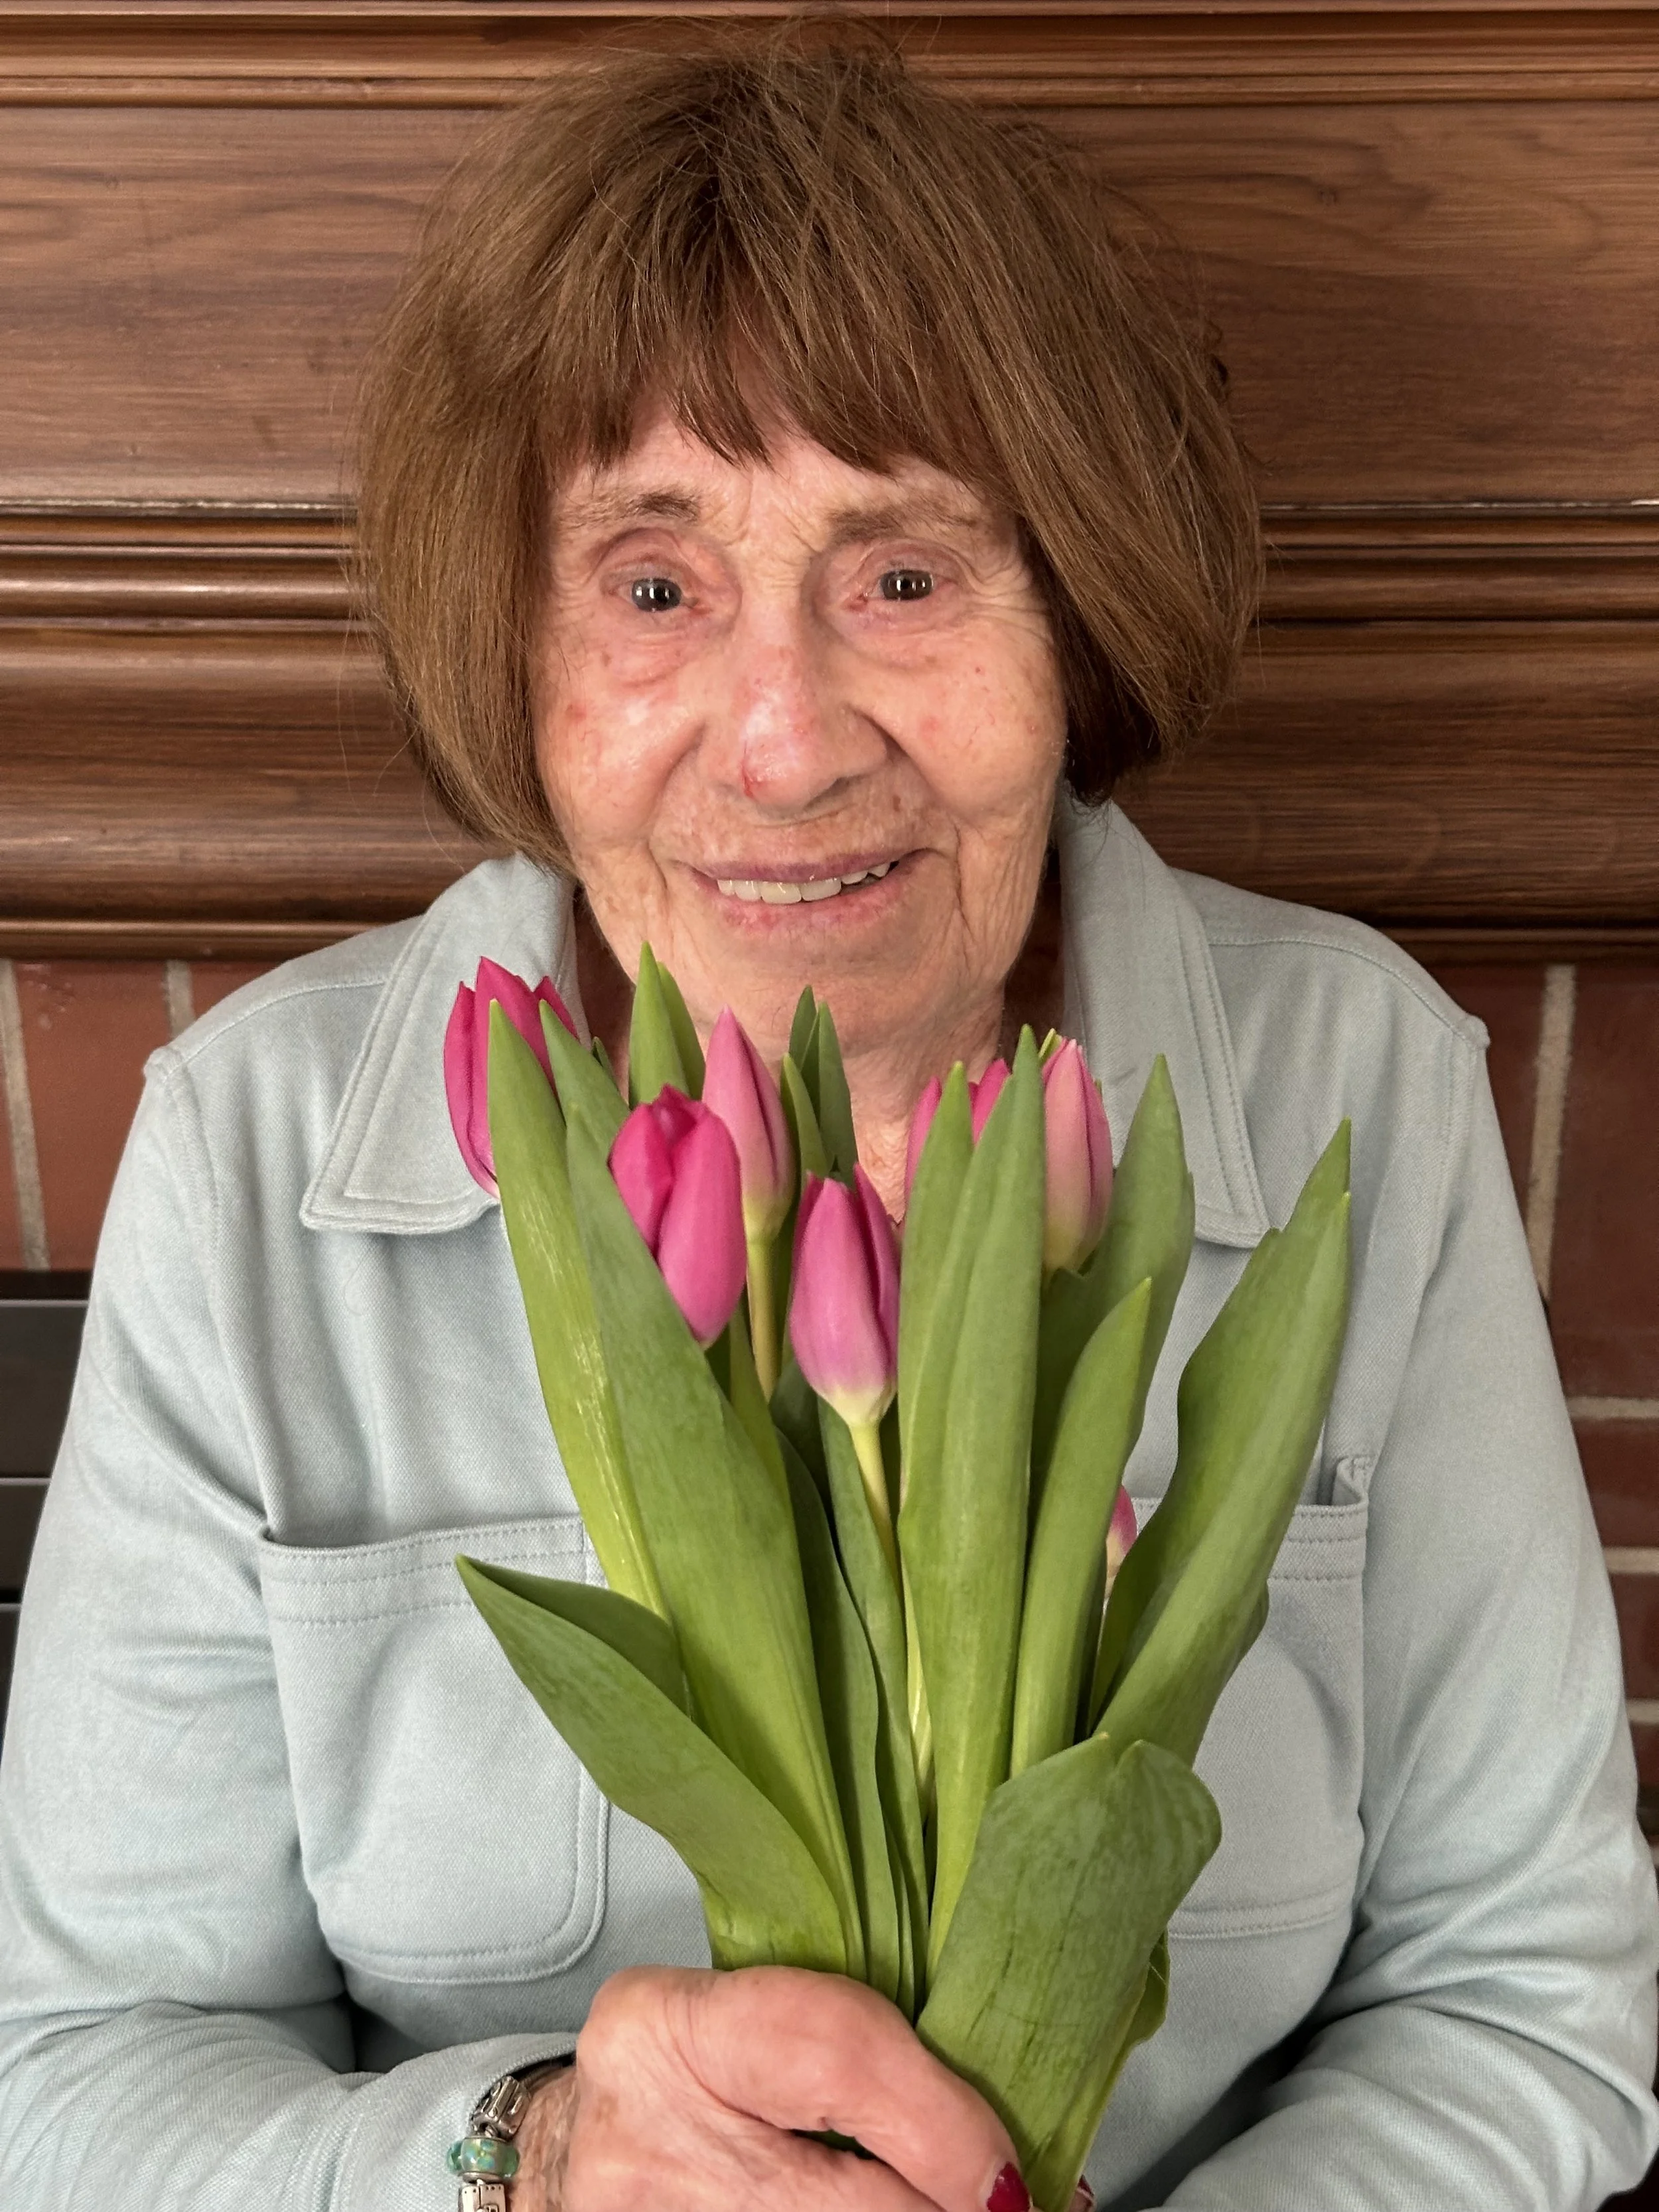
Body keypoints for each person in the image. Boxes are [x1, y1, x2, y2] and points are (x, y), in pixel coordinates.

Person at [1, 29, 1654, 2212]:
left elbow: (1522, 1993)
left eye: (903, 574)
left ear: (1072, 613)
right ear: (514, 649)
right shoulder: (251, 1155)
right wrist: (522, 2159)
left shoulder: (1352, 1097)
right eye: (655, 585)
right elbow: (74, 2070)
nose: (782, 746)